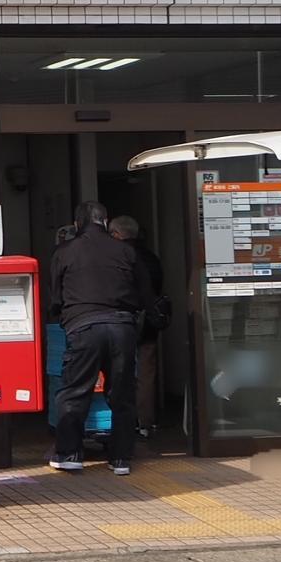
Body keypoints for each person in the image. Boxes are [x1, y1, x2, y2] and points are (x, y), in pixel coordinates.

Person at [46, 200, 155, 476]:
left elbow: (56, 299)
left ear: (76, 225)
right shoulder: (126, 251)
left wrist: (63, 313)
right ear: (105, 222)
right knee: (122, 394)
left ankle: (70, 453)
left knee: (74, 390)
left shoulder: (65, 252)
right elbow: (145, 293)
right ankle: (121, 459)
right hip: (122, 327)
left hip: (83, 329)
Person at [109, 214, 169, 439]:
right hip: (149, 321)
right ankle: (146, 421)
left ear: (115, 234)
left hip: (122, 320)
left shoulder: (117, 257)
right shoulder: (151, 258)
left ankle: (122, 421)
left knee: (119, 370)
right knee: (146, 371)